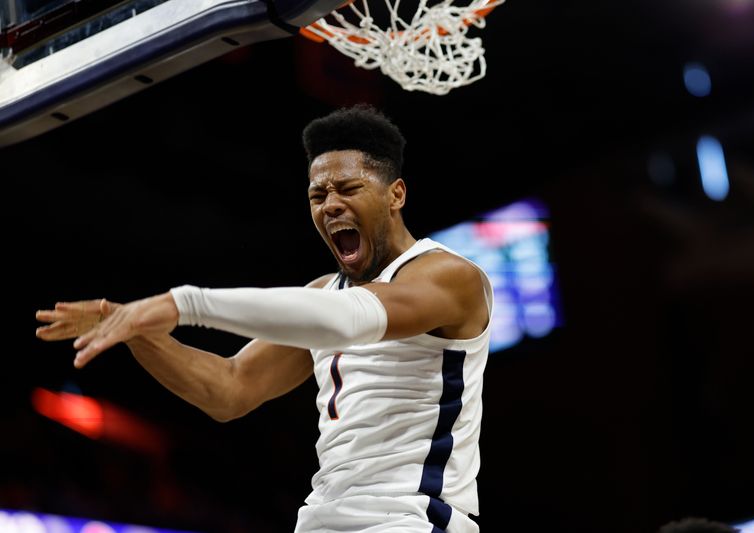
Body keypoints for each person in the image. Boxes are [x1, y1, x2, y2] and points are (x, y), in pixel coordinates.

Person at [35, 103, 494, 533]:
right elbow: (230, 389)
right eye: (318, 195)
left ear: (396, 194)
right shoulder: (324, 294)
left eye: (348, 189)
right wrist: (137, 332)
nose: (330, 204)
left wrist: (185, 302)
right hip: (322, 518)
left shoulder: (449, 276)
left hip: (410, 518)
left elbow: (352, 320)